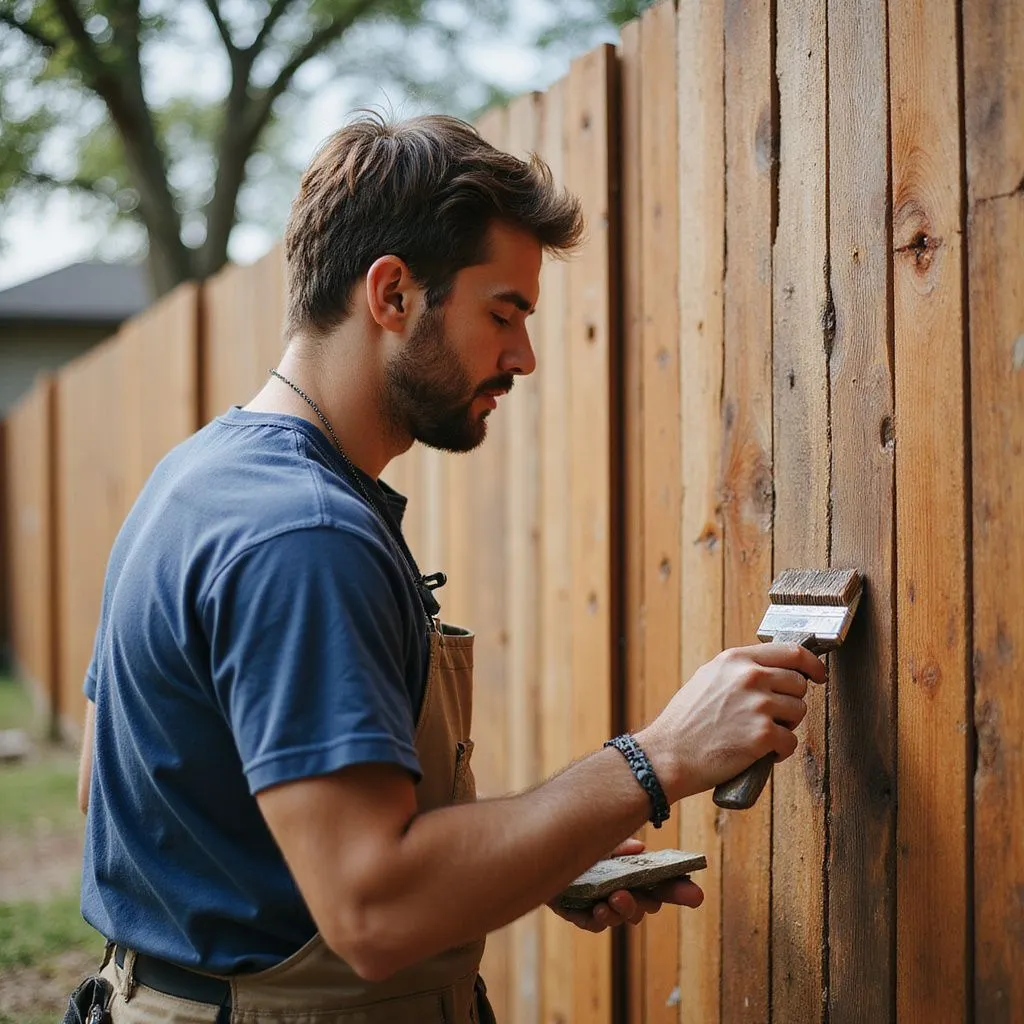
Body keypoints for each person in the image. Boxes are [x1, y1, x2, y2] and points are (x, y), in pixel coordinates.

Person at [72, 112, 825, 1024]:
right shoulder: (303, 536)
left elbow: (132, 797)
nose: (525, 357)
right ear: (392, 293)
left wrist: (536, 858)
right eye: (502, 312)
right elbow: (375, 910)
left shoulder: (193, 480)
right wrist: (658, 757)